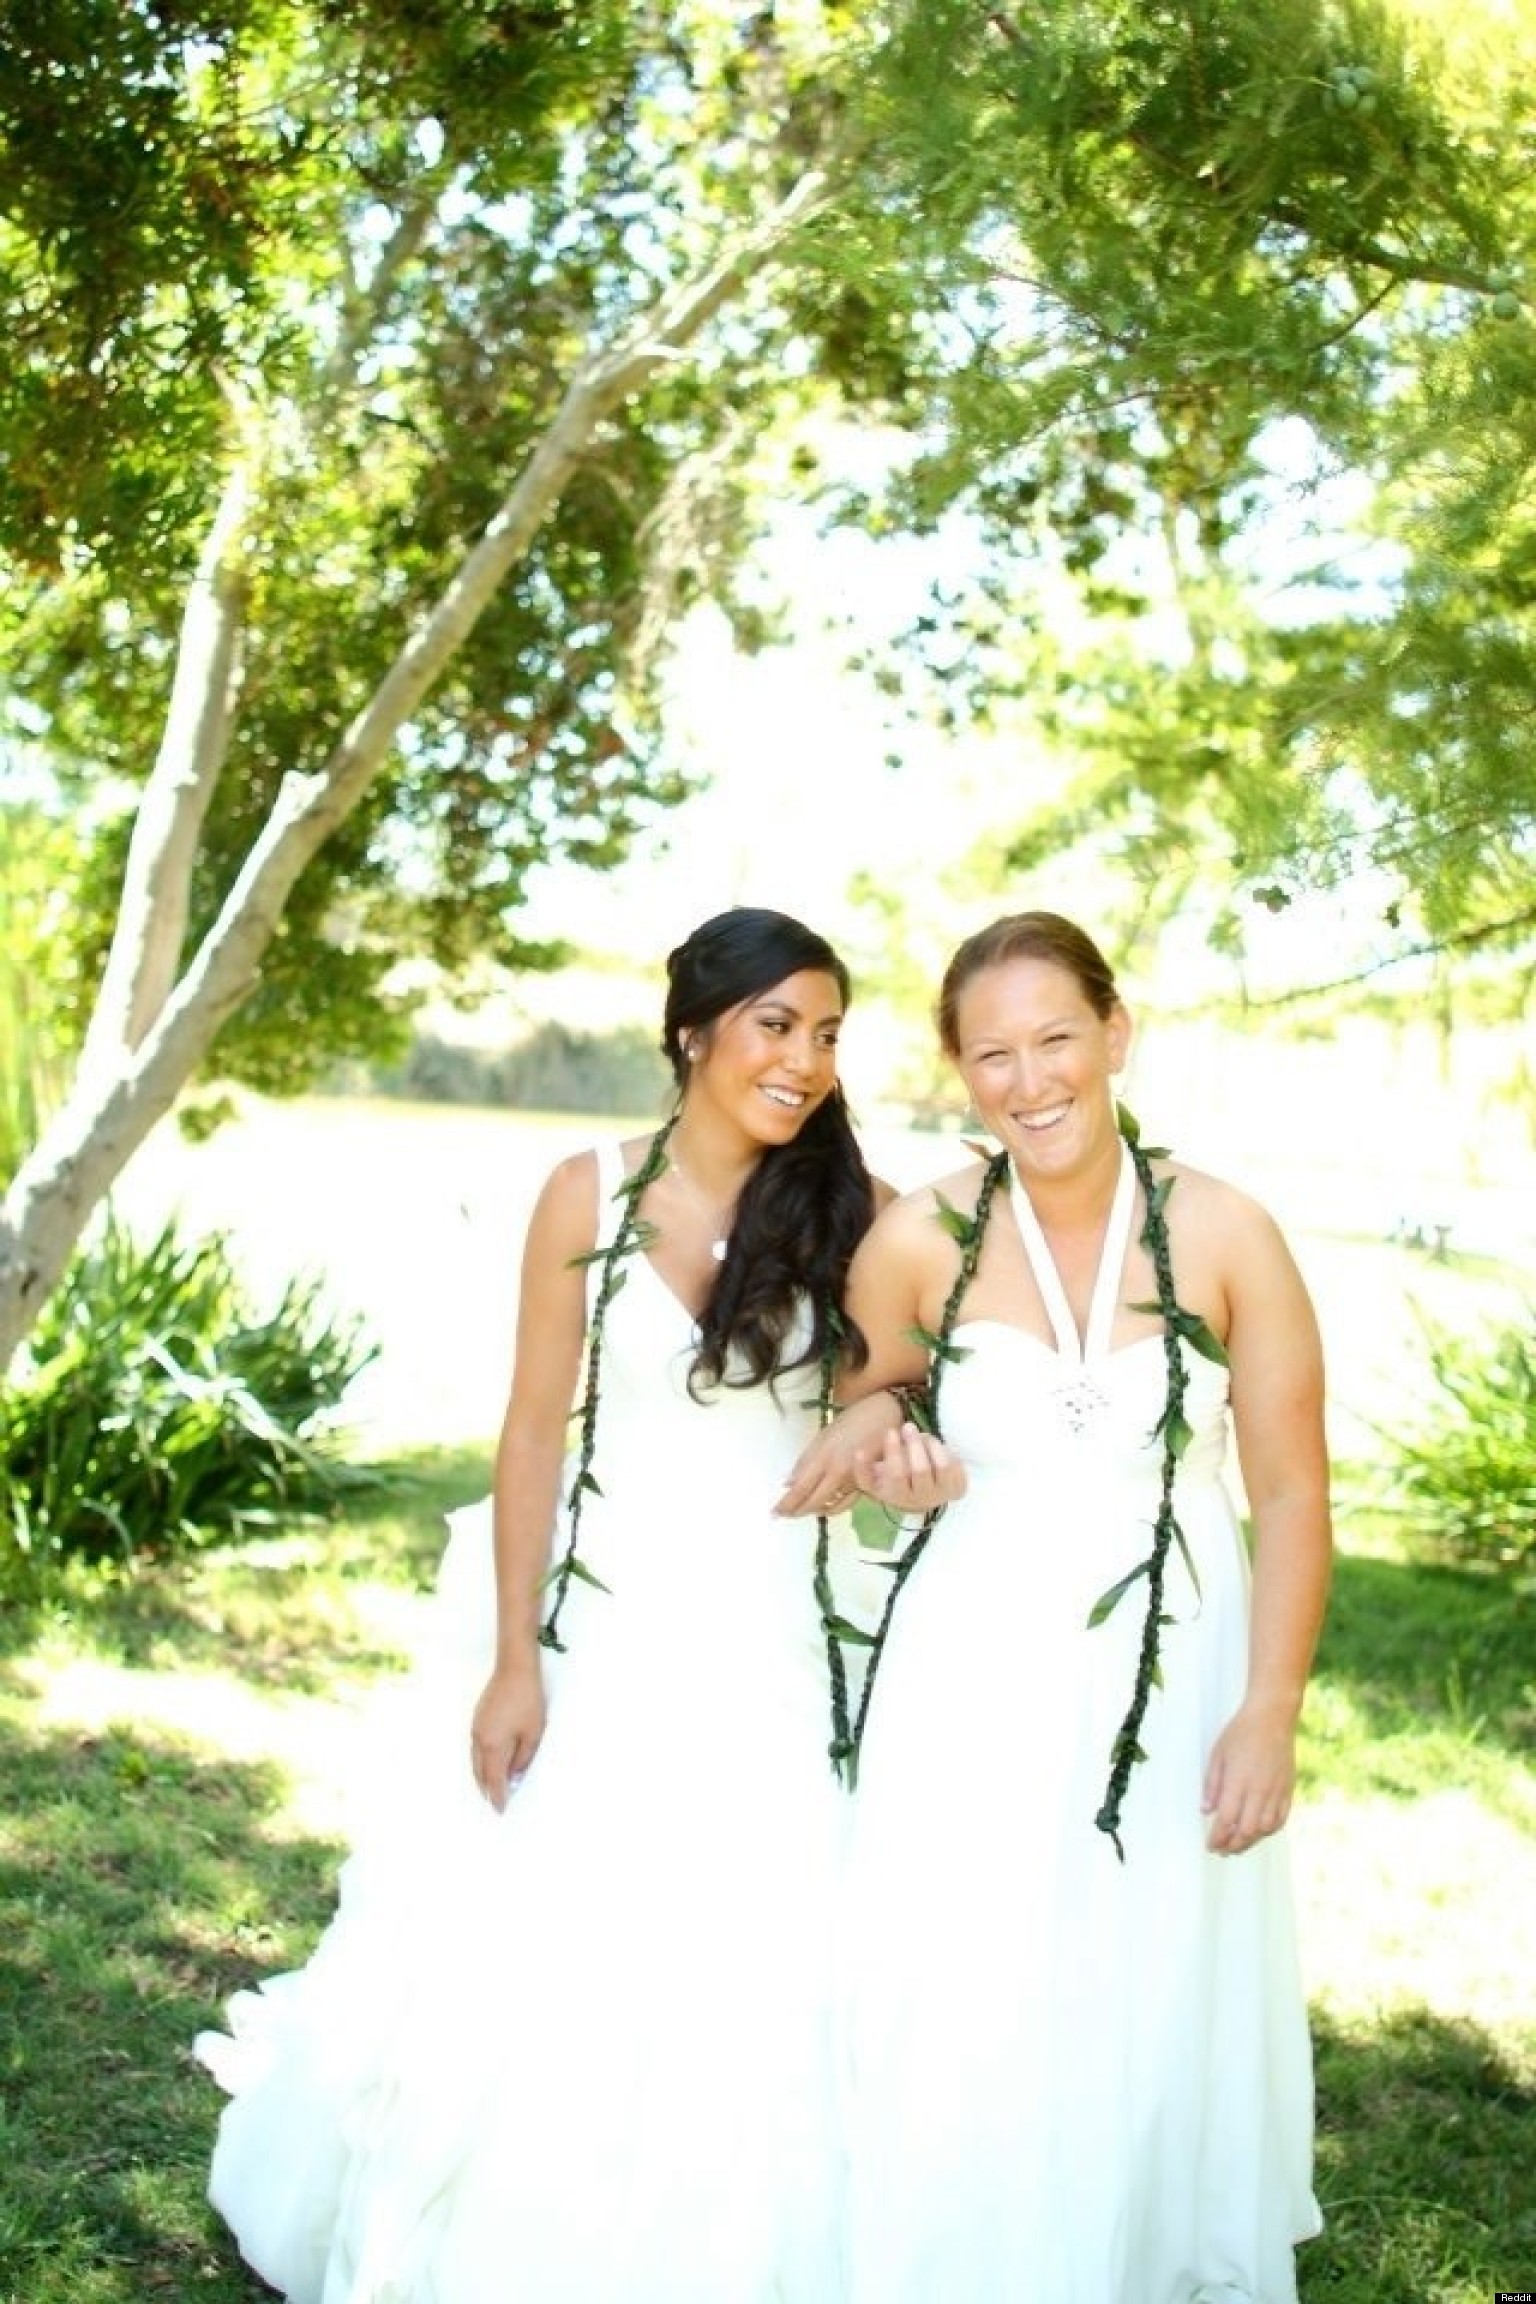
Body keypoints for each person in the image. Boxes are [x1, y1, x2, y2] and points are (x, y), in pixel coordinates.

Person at [196, 906, 908, 2304]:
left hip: (770, 1620)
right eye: (777, 1026)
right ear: (694, 1032)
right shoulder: (584, 1194)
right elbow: (533, 1431)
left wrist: (876, 1413)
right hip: (607, 1609)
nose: (806, 1062)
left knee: (754, 1941)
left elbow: (899, 1377)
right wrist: (515, 1657)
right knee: (542, 1924)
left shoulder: (852, 1208)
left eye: (827, 1034)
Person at [828, 910, 1332, 2304]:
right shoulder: (924, 1232)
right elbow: (855, 1401)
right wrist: (888, 1445)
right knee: (966, 1969)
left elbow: (1291, 1493)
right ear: (958, 1073)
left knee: (1151, 1972)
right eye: (992, 1054)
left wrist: (1270, 1709)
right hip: (969, 1668)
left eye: (1056, 1039)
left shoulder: (1227, 1230)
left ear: (1116, 1034)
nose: (1030, 1080)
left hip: (1175, 1677)